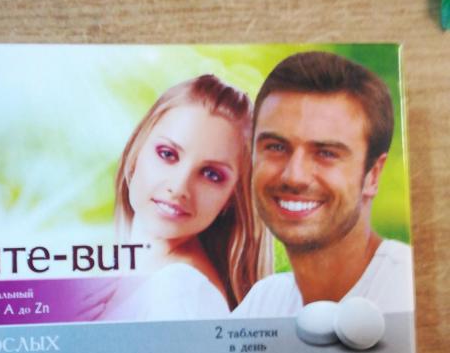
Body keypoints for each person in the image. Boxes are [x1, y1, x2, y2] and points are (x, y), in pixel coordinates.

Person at [233, 51, 413, 318]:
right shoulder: (266, 302)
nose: (294, 176)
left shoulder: (408, 291)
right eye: (276, 147)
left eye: (326, 153)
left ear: (373, 175)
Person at [101, 74, 272, 321]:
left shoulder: (180, 292)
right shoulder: (121, 268)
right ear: (136, 151)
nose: (179, 187)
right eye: (168, 154)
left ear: (232, 198)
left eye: (211, 174)